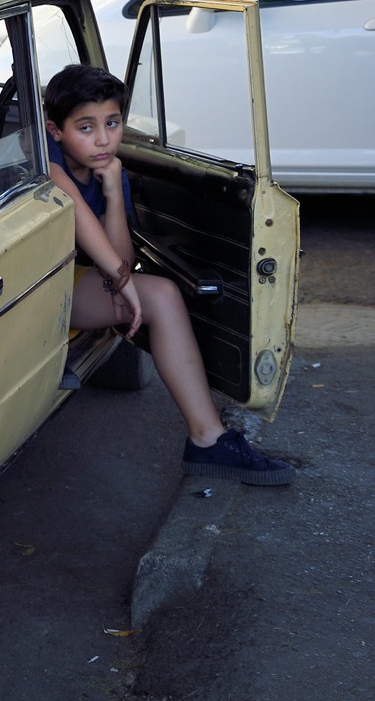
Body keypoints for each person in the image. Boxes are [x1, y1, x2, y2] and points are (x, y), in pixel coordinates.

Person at [43, 64, 294, 486]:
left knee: (162, 295)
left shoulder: (110, 168)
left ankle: (208, 438)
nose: (104, 140)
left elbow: (120, 255)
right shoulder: (46, 162)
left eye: (112, 124)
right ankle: (208, 437)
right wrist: (125, 284)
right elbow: (85, 227)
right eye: (86, 127)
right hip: (24, 289)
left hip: (63, 280)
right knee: (148, 293)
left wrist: (113, 192)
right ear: (55, 131)